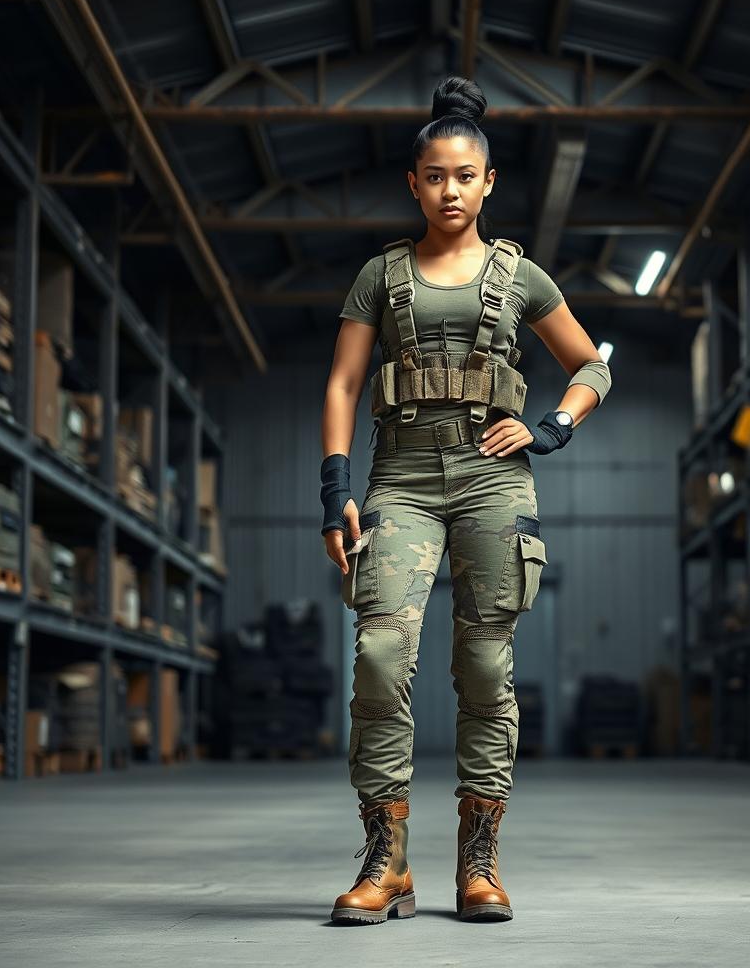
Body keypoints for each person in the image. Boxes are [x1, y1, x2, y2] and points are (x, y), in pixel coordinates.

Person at [320, 74, 611, 925]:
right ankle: (387, 858)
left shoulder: (521, 277)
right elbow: (342, 383)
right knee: (379, 656)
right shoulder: (381, 276)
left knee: (485, 668)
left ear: (490, 183)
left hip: (491, 481)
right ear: (413, 184)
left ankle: (478, 859)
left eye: (465, 176)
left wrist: (552, 428)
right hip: (400, 478)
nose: (450, 190)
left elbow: (591, 364)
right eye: (434, 176)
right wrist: (335, 487)